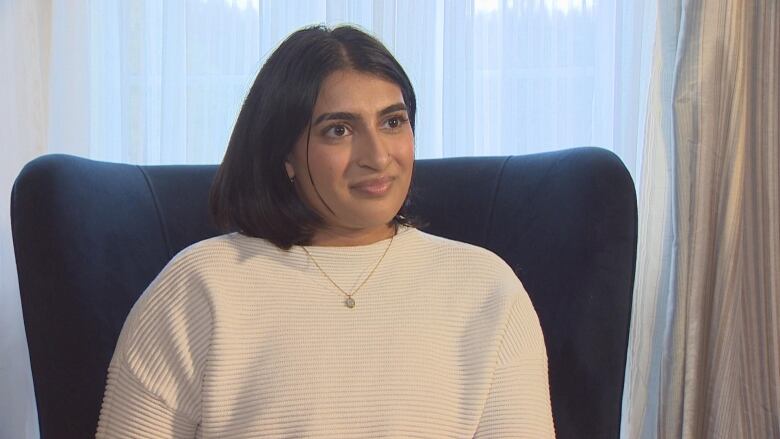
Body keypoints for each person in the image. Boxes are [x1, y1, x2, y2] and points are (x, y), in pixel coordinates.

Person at [96, 24, 555, 438]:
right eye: (339, 130)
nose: (377, 156)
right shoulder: (198, 286)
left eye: (393, 122)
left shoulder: (487, 288)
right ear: (285, 156)